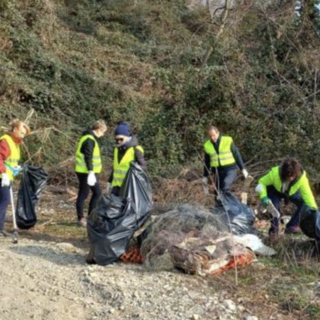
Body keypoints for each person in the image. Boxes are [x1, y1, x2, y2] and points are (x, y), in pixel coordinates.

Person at [256, 157, 318, 237]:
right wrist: (264, 197)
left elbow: (308, 196)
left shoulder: (301, 178)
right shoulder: (274, 174)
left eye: (293, 176)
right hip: (275, 190)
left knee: (304, 203)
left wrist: (314, 210)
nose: (290, 178)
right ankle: (274, 231)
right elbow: (261, 183)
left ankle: (291, 226)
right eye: (288, 176)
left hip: (290, 192)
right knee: (274, 207)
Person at [0, 119, 30, 236]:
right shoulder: (6, 140)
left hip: (7, 176)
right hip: (2, 176)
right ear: (15, 129)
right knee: (4, 201)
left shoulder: (15, 142)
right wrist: (3, 173)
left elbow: (9, 161)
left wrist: (15, 168)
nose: (23, 136)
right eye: (22, 133)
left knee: (3, 201)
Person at [75, 120, 107, 226]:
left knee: (96, 193)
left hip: (87, 171)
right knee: (84, 194)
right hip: (85, 172)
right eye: (103, 132)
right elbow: (88, 157)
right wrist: (91, 171)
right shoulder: (89, 140)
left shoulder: (89, 138)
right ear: (99, 129)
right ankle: (81, 218)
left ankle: (89, 217)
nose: (103, 135)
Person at [203, 126, 248, 198]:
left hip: (230, 169)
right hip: (217, 171)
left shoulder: (227, 141)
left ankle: (229, 206)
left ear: (218, 133)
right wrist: (205, 176)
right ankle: (220, 208)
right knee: (217, 192)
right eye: (210, 136)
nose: (212, 138)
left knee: (225, 186)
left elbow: (236, 154)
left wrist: (243, 168)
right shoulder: (207, 145)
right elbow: (207, 162)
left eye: (214, 135)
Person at [107, 121, 146, 196]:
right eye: (116, 139)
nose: (118, 142)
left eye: (121, 139)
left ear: (128, 137)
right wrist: (110, 181)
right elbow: (116, 167)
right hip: (116, 187)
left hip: (129, 187)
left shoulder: (136, 149)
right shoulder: (116, 150)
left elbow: (143, 168)